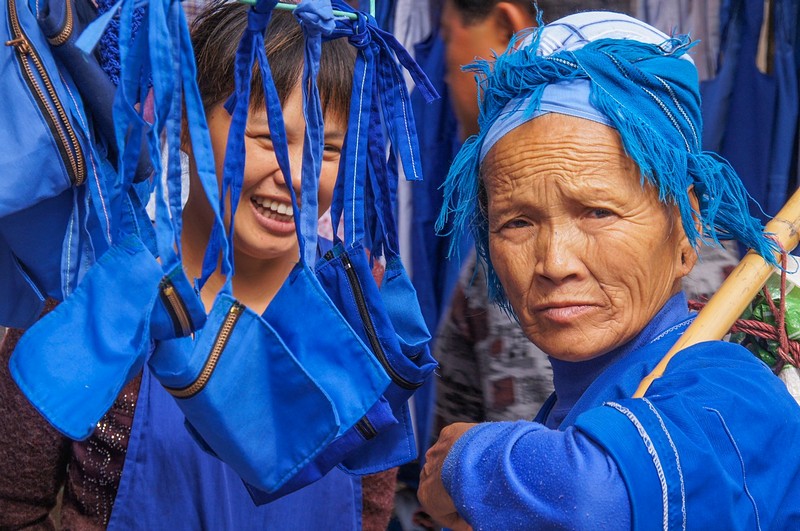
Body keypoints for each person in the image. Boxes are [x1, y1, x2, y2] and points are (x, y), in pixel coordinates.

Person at [0, 3, 395, 529]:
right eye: (267, 137)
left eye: (327, 148)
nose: (298, 177)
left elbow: (370, 509)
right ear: (183, 122)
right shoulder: (93, 292)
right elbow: (11, 506)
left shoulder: (356, 310)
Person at [418, 11, 800, 530]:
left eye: (598, 212)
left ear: (687, 231)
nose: (554, 263)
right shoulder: (563, 414)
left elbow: (594, 501)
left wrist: (465, 459)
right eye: (517, 222)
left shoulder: (731, 394)